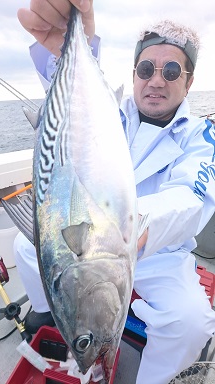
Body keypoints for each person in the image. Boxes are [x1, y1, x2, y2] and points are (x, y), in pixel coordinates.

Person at [14, 1, 215, 383]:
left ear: (189, 82)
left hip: (159, 253)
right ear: (134, 73)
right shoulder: (108, 109)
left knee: (191, 321)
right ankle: (50, 312)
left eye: (171, 70)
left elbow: (191, 198)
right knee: (27, 248)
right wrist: (71, 47)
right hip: (99, 248)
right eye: (145, 69)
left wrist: (125, 230)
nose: (156, 80)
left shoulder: (201, 136)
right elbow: (69, 111)